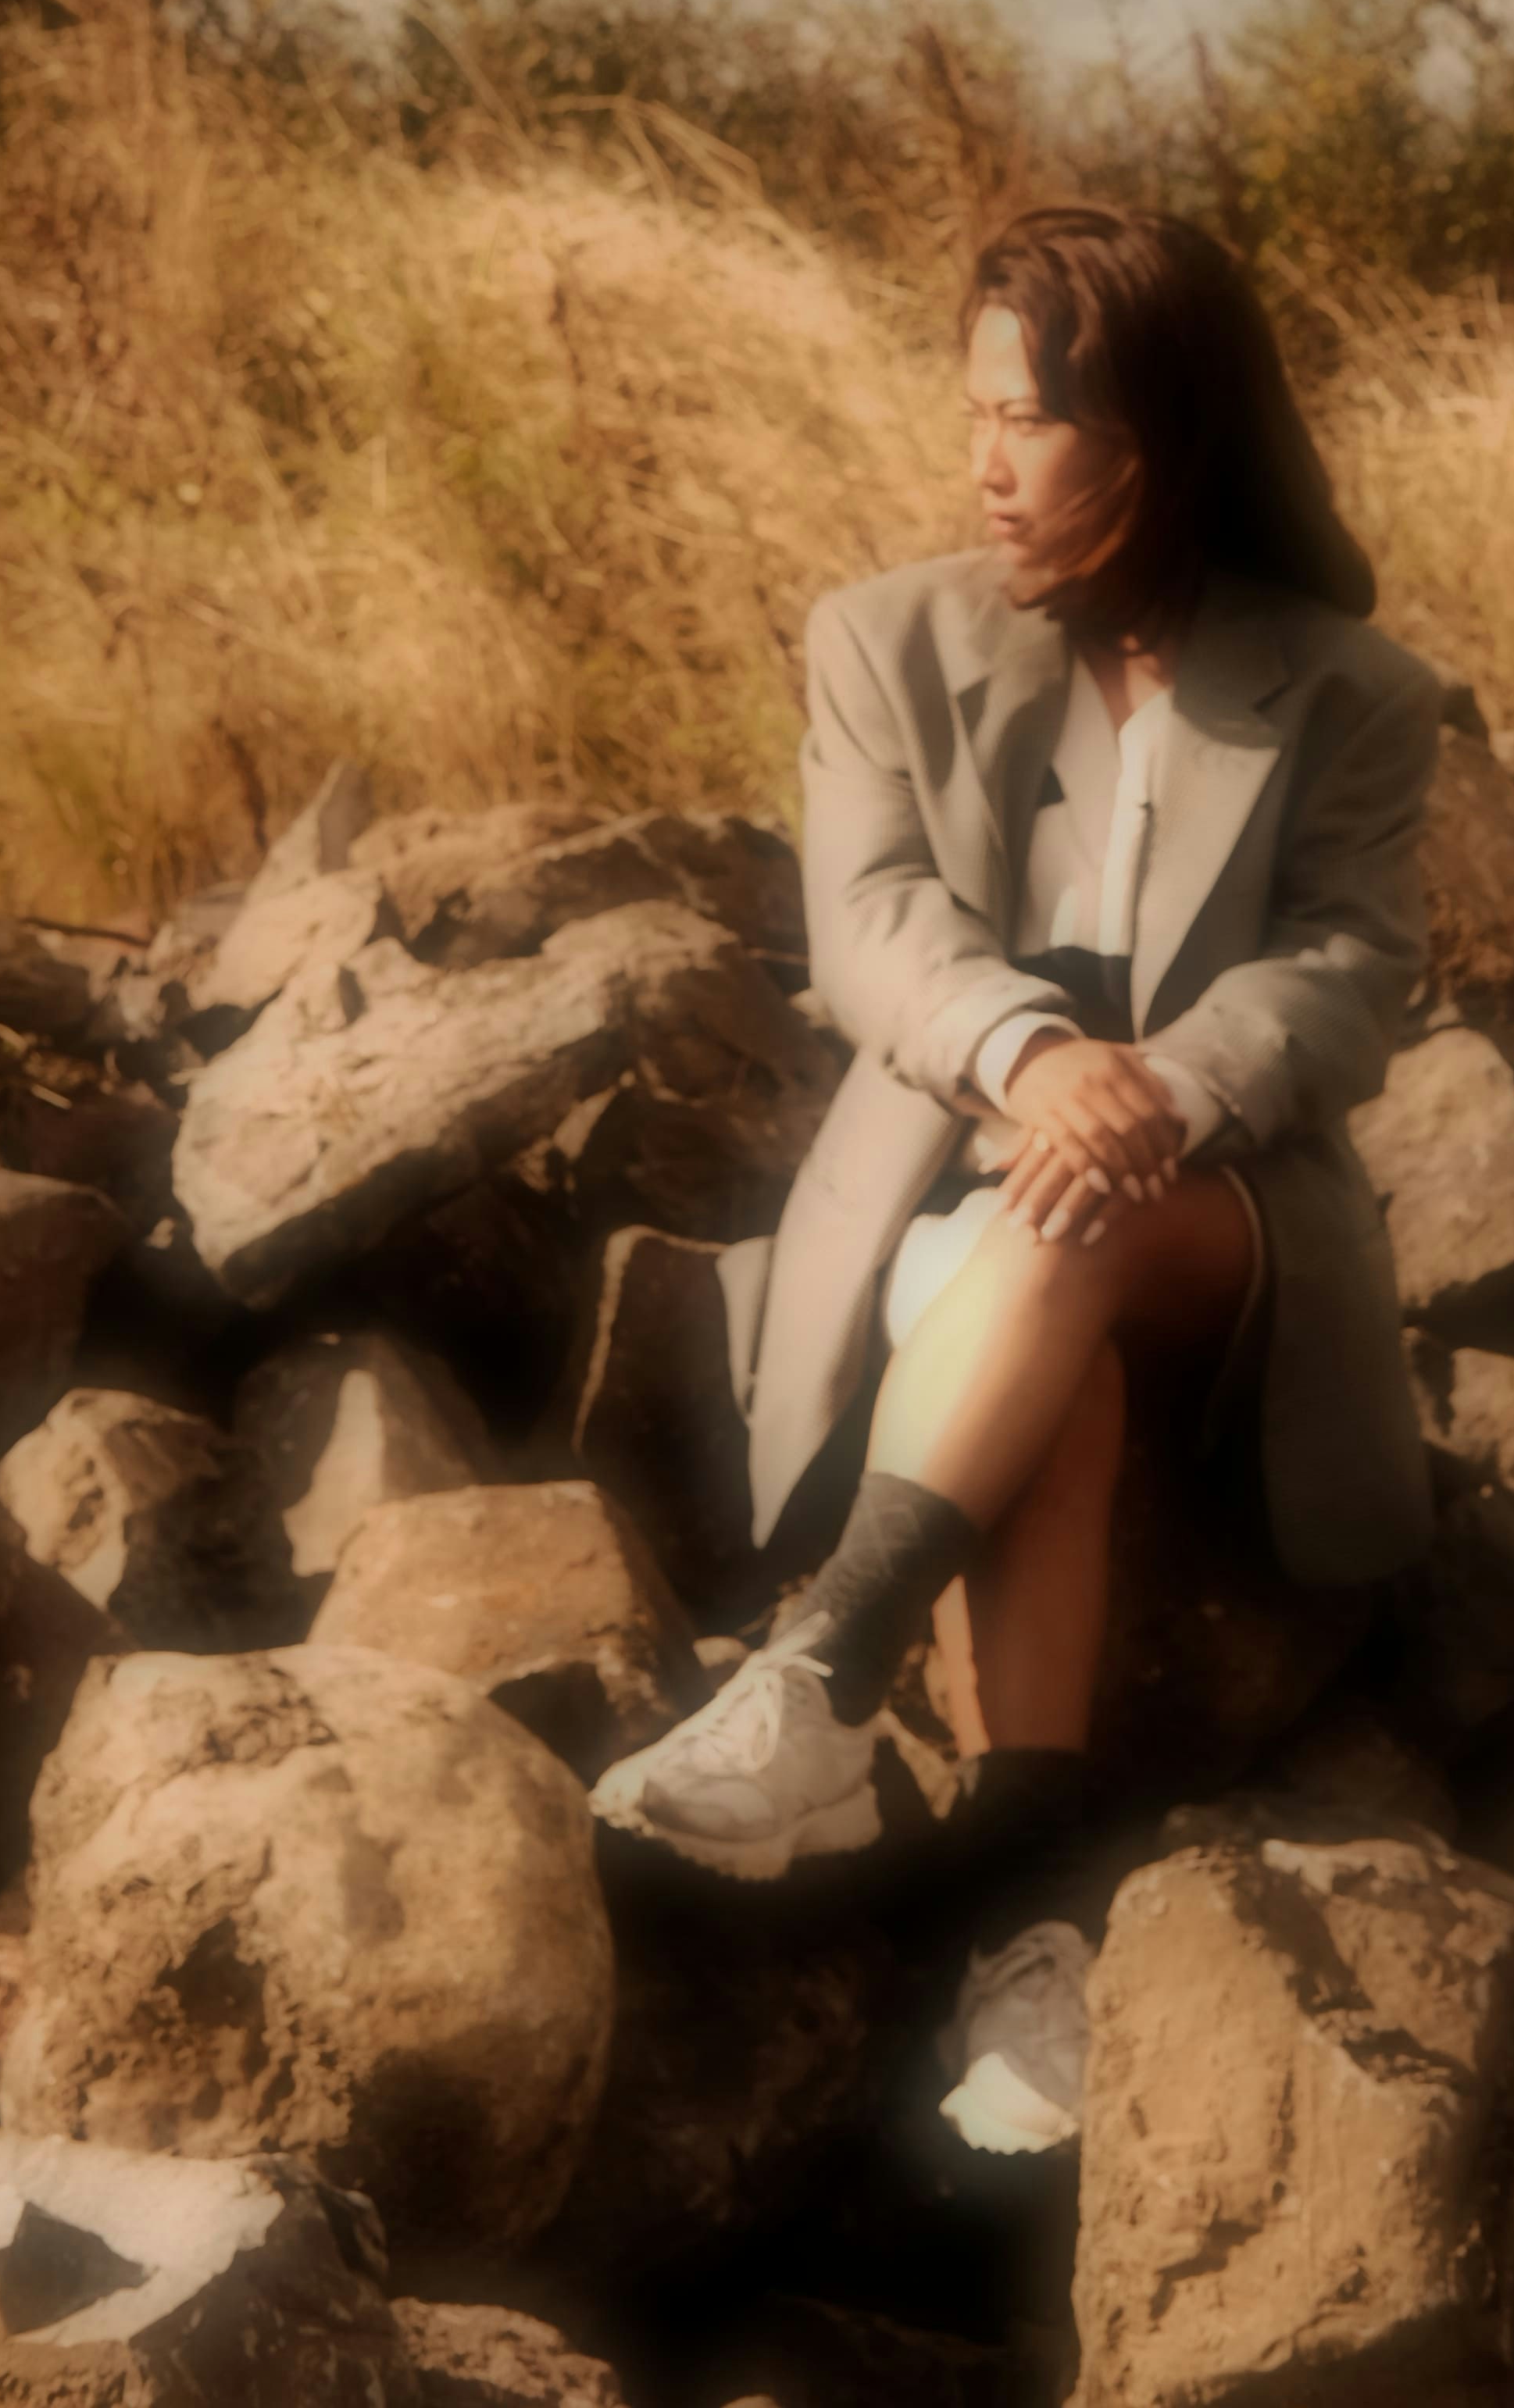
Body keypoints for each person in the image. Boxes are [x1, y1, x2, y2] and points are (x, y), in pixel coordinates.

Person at [594, 203, 1442, 2153]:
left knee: (1093, 1207)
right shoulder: (880, 641)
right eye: (971, 412)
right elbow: (872, 925)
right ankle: (1031, 1931)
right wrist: (1034, 1056)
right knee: (1052, 1302)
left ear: (1157, 435)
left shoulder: (1349, 693)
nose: (984, 463)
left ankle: (823, 1670)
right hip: (946, 1196)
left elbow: (1348, 971)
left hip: (1222, 1223)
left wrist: (1167, 1082)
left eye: (1031, 422)